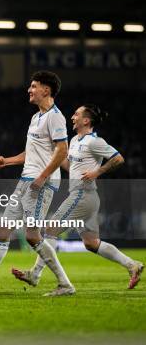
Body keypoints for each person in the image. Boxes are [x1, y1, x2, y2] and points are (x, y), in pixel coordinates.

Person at [0, 70, 75, 297]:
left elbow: (62, 151)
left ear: (46, 90)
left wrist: (42, 177)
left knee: (32, 236)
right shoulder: (36, 117)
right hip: (26, 180)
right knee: (3, 231)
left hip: (41, 183)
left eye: (34, 86)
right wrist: (7, 161)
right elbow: (31, 152)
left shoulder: (55, 117)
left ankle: (65, 284)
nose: (29, 90)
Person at [12, 104, 143, 289]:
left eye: (76, 114)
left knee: (51, 228)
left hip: (82, 194)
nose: (72, 117)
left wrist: (97, 172)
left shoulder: (94, 141)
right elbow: (69, 166)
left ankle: (35, 274)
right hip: (87, 198)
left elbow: (118, 158)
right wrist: (52, 156)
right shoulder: (74, 141)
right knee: (91, 243)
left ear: (86, 120)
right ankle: (132, 265)